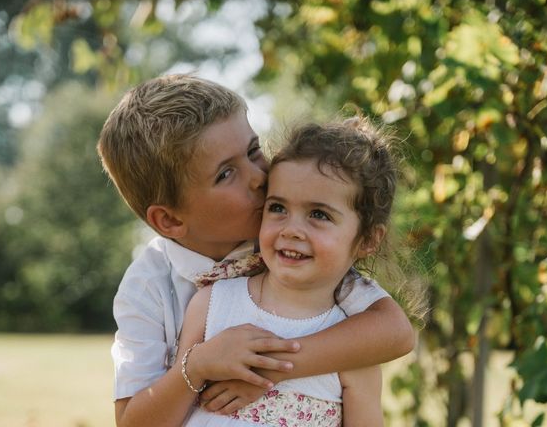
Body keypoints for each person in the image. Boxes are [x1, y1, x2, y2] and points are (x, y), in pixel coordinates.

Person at [97, 74, 415, 427]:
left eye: (252, 151)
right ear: (170, 220)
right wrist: (196, 366)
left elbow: (395, 332)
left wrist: (267, 368)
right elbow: (132, 422)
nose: (259, 176)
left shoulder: (298, 252)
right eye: (226, 173)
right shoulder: (148, 287)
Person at [181, 117, 414, 426]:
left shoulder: (352, 349)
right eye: (277, 208)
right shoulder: (213, 305)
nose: (292, 229)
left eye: (319, 214)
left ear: (368, 240)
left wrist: (268, 370)